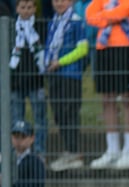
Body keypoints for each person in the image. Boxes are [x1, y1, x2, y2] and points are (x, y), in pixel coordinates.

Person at [85, 0, 129, 169]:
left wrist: (104, 16)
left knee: (127, 98)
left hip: (125, 47)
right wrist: (110, 17)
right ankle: (112, 149)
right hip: (103, 47)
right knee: (107, 98)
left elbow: (122, 12)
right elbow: (89, 16)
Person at [45, 0, 90, 172]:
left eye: (63, 0)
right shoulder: (53, 21)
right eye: (56, 0)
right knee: (58, 113)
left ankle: (74, 151)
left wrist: (61, 62)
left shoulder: (76, 21)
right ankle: (67, 150)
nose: (59, 3)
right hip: (54, 74)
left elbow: (82, 49)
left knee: (69, 111)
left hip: (70, 74)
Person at [10, 0, 49, 158]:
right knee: (15, 120)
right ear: (17, 8)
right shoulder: (11, 28)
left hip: (35, 80)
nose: (26, 11)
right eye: (22, 7)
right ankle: (16, 153)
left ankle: (39, 151)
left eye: (29, 7)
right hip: (15, 81)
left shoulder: (41, 26)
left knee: (39, 118)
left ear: (34, 8)